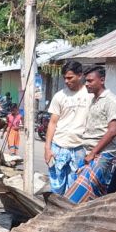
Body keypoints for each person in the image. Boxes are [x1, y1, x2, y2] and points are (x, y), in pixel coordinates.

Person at [64, 65, 116, 204]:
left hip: (104, 153)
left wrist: (93, 153)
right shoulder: (93, 100)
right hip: (89, 151)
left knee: (78, 193)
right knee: (92, 193)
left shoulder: (111, 101)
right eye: (86, 81)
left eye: (90, 81)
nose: (87, 84)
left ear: (101, 80)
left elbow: (113, 131)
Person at [44, 61, 91, 195]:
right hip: (58, 146)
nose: (66, 81)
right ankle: (56, 213)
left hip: (80, 148)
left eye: (70, 77)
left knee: (75, 187)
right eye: (64, 77)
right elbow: (52, 122)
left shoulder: (90, 95)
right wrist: (47, 148)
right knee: (56, 186)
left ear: (80, 75)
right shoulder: (59, 96)